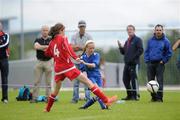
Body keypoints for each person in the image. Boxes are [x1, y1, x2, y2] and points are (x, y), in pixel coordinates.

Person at [44, 23, 117, 112]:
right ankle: (106, 100)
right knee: (88, 82)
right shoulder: (63, 38)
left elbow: (47, 53)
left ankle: (47, 109)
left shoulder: (51, 42)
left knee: (55, 91)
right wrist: (76, 58)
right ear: (60, 30)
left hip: (58, 70)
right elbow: (69, 49)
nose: (65, 32)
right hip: (68, 67)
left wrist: (56, 55)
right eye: (64, 30)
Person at [144, 24, 172, 102]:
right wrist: (147, 61)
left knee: (159, 81)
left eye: (160, 30)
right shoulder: (150, 40)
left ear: (162, 31)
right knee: (150, 82)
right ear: (154, 31)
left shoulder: (166, 41)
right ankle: (153, 97)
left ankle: (159, 98)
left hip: (160, 64)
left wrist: (163, 60)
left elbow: (169, 53)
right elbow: (146, 51)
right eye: (157, 30)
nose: (158, 31)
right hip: (150, 64)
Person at [78, 40, 108, 110]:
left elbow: (94, 65)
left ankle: (85, 106)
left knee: (99, 94)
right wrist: (85, 79)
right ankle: (103, 107)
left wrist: (85, 63)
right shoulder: (82, 58)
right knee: (98, 92)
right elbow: (82, 70)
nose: (92, 50)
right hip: (91, 77)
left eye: (93, 48)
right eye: (90, 48)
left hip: (98, 77)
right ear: (86, 48)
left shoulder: (96, 55)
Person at [118, 25, 143, 101]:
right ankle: (130, 95)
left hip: (134, 64)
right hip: (127, 64)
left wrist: (133, 58)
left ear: (134, 30)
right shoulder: (127, 41)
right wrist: (120, 47)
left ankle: (135, 96)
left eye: (131, 29)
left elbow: (141, 50)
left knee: (133, 80)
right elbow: (123, 52)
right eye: (128, 30)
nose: (129, 31)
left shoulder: (138, 40)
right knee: (125, 80)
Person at [71, 20, 93, 103]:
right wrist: (83, 47)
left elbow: (90, 48)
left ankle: (88, 99)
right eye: (81, 26)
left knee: (86, 81)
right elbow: (71, 47)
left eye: (83, 26)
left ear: (85, 27)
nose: (82, 28)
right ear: (78, 27)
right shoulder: (74, 36)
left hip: (85, 62)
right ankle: (74, 99)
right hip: (75, 61)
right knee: (76, 82)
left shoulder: (89, 36)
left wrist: (78, 48)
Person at [30, 25, 52, 103]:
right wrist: (46, 47)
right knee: (36, 81)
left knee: (48, 82)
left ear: (48, 31)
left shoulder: (51, 39)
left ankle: (48, 98)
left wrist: (41, 47)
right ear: (41, 31)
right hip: (39, 62)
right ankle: (34, 98)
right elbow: (36, 47)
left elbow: (51, 48)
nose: (45, 32)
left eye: (46, 30)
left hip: (49, 61)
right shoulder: (38, 39)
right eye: (43, 30)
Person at [0, 22, 10, 104]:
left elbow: (6, 44)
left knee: (4, 79)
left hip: (4, 59)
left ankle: (5, 98)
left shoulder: (6, 35)